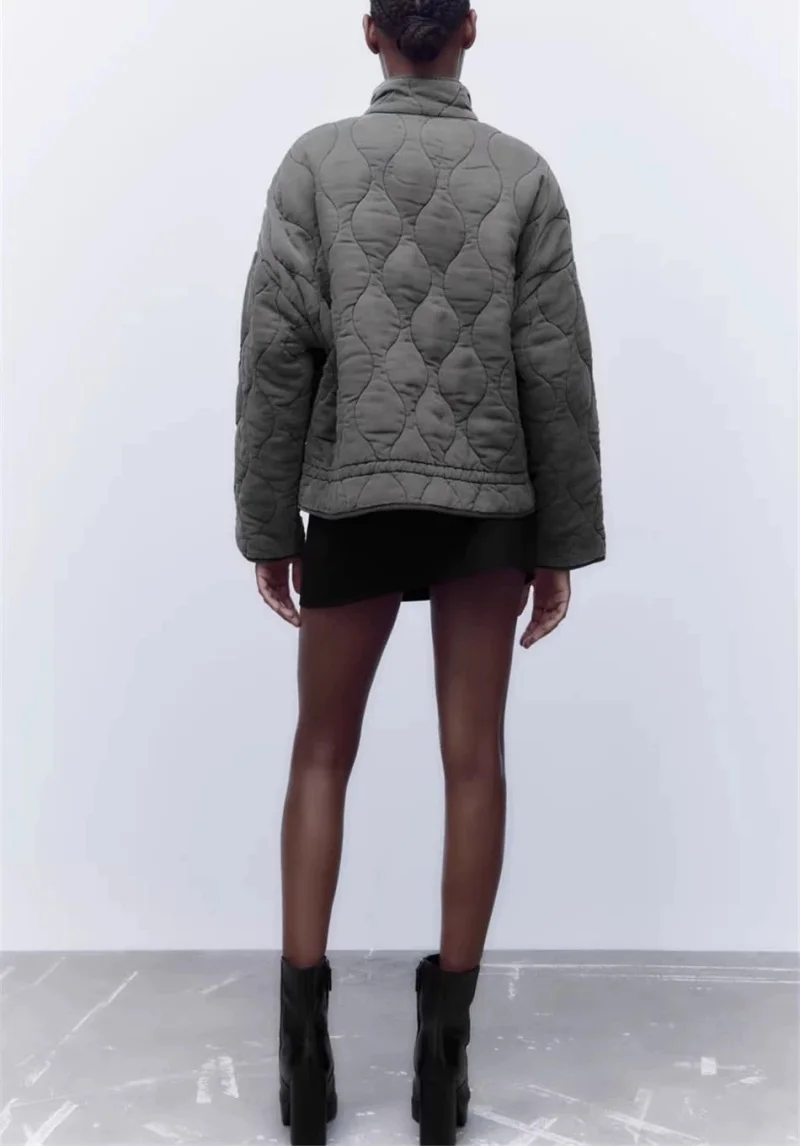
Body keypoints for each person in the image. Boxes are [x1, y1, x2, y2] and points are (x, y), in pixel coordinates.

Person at [234, 1, 605, 1142]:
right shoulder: (522, 175)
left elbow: (273, 352)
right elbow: (555, 369)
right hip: (487, 508)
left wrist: (269, 526)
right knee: (473, 763)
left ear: (370, 34)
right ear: (470, 32)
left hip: (352, 500)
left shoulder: (313, 166)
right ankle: (443, 1074)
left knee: (319, 754)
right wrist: (559, 541)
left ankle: (304, 1068)